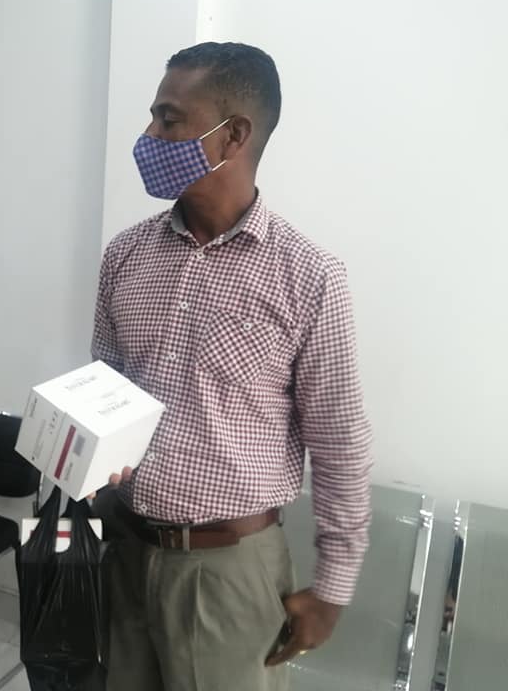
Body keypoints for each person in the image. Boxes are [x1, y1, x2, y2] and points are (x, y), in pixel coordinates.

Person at [91, 42, 373, 691]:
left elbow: (339, 440)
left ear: (233, 136)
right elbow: (103, 391)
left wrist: (332, 588)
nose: (148, 136)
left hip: (228, 571)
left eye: (168, 119)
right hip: (125, 551)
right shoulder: (126, 255)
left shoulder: (309, 277)